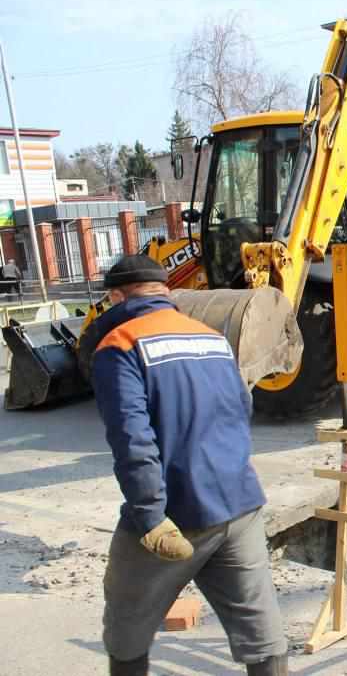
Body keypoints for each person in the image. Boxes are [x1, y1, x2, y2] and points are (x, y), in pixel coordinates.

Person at [90, 255, 288, 676]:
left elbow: (132, 439)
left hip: (174, 516)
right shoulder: (211, 338)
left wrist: (148, 516)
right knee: (261, 634)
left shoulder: (119, 345)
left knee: (126, 629)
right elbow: (242, 408)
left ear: (115, 296)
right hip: (239, 506)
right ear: (165, 291)